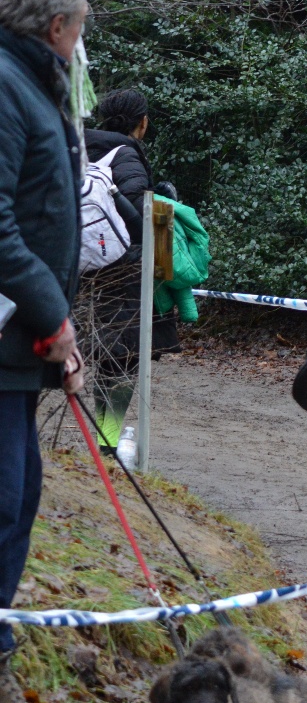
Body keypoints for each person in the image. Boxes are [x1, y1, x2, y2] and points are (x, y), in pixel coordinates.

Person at [0, 0, 90, 703]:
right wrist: (51, 315)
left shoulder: (36, 85)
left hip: (19, 348)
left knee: (18, 496)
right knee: (1, 500)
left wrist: (57, 334)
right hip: (6, 340)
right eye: (83, 21)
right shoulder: (4, 83)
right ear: (60, 23)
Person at [80, 88, 180, 458]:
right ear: (143, 122)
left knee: (102, 356)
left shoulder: (81, 148)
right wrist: (167, 212)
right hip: (122, 270)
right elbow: (146, 215)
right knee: (120, 361)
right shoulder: (126, 155)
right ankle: (107, 445)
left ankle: (103, 441)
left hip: (83, 266)